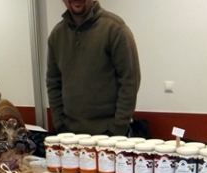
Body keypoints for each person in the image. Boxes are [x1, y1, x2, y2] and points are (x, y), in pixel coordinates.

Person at [46, 0, 141, 136]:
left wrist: (118, 128)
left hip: (109, 135)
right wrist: (60, 124)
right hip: (68, 135)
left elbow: (129, 82)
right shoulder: (57, 34)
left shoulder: (115, 29)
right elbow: (53, 82)